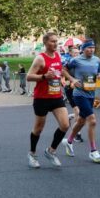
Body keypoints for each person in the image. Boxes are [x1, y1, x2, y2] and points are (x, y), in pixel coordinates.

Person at [25, 32, 71, 169]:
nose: (55, 44)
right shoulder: (40, 59)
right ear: (45, 43)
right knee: (38, 129)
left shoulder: (58, 55)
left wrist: (66, 79)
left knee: (65, 124)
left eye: (57, 41)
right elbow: (28, 76)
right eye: (52, 41)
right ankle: (32, 154)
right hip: (42, 98)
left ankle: (51, 151)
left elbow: (60, 70)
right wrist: (44, 76)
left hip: (56, 96)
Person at [61, 40, 100, 163]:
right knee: (92, 120)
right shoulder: (76, 60)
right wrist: (72, 79)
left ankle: (69, 141)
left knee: (81, 121)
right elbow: (63, 69)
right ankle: (93, 151)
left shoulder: (96, 60)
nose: (91, 50)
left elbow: (99, 72)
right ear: (83, 49)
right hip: (79, 94)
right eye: (89, 48)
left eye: (93, 48)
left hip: (91, 94)